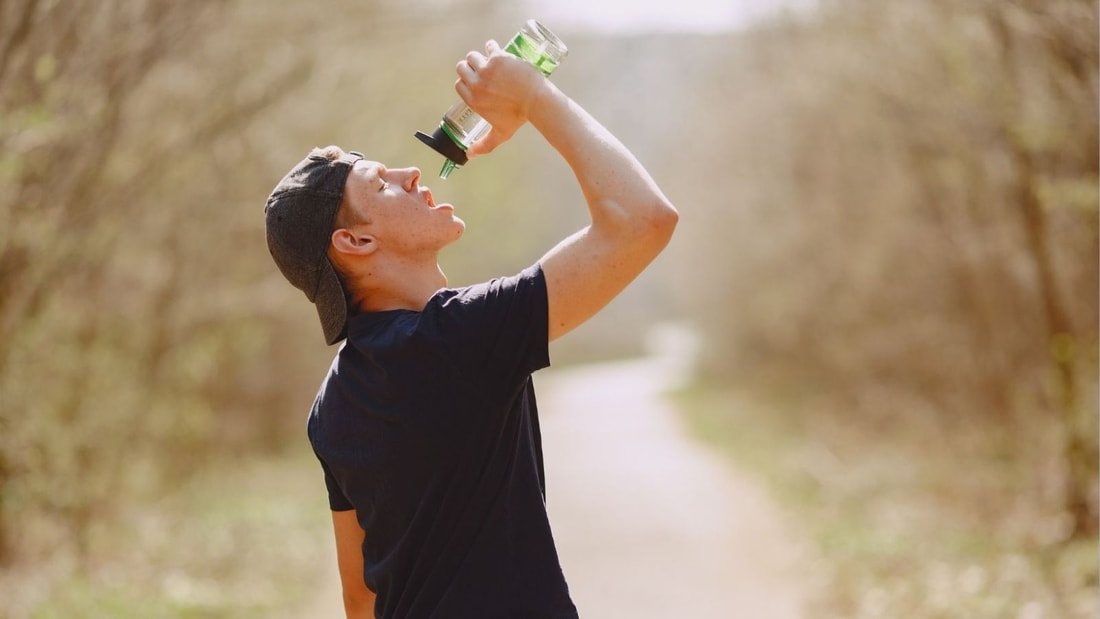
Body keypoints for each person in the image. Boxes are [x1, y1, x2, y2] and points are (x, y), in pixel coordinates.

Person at [264, 38, 678, 619]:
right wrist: (534, 97)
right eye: (380, 183)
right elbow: (644, 219)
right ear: (356, 242)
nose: (411, 172)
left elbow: (361, 596)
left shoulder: (332, 402)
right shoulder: (458, 340)